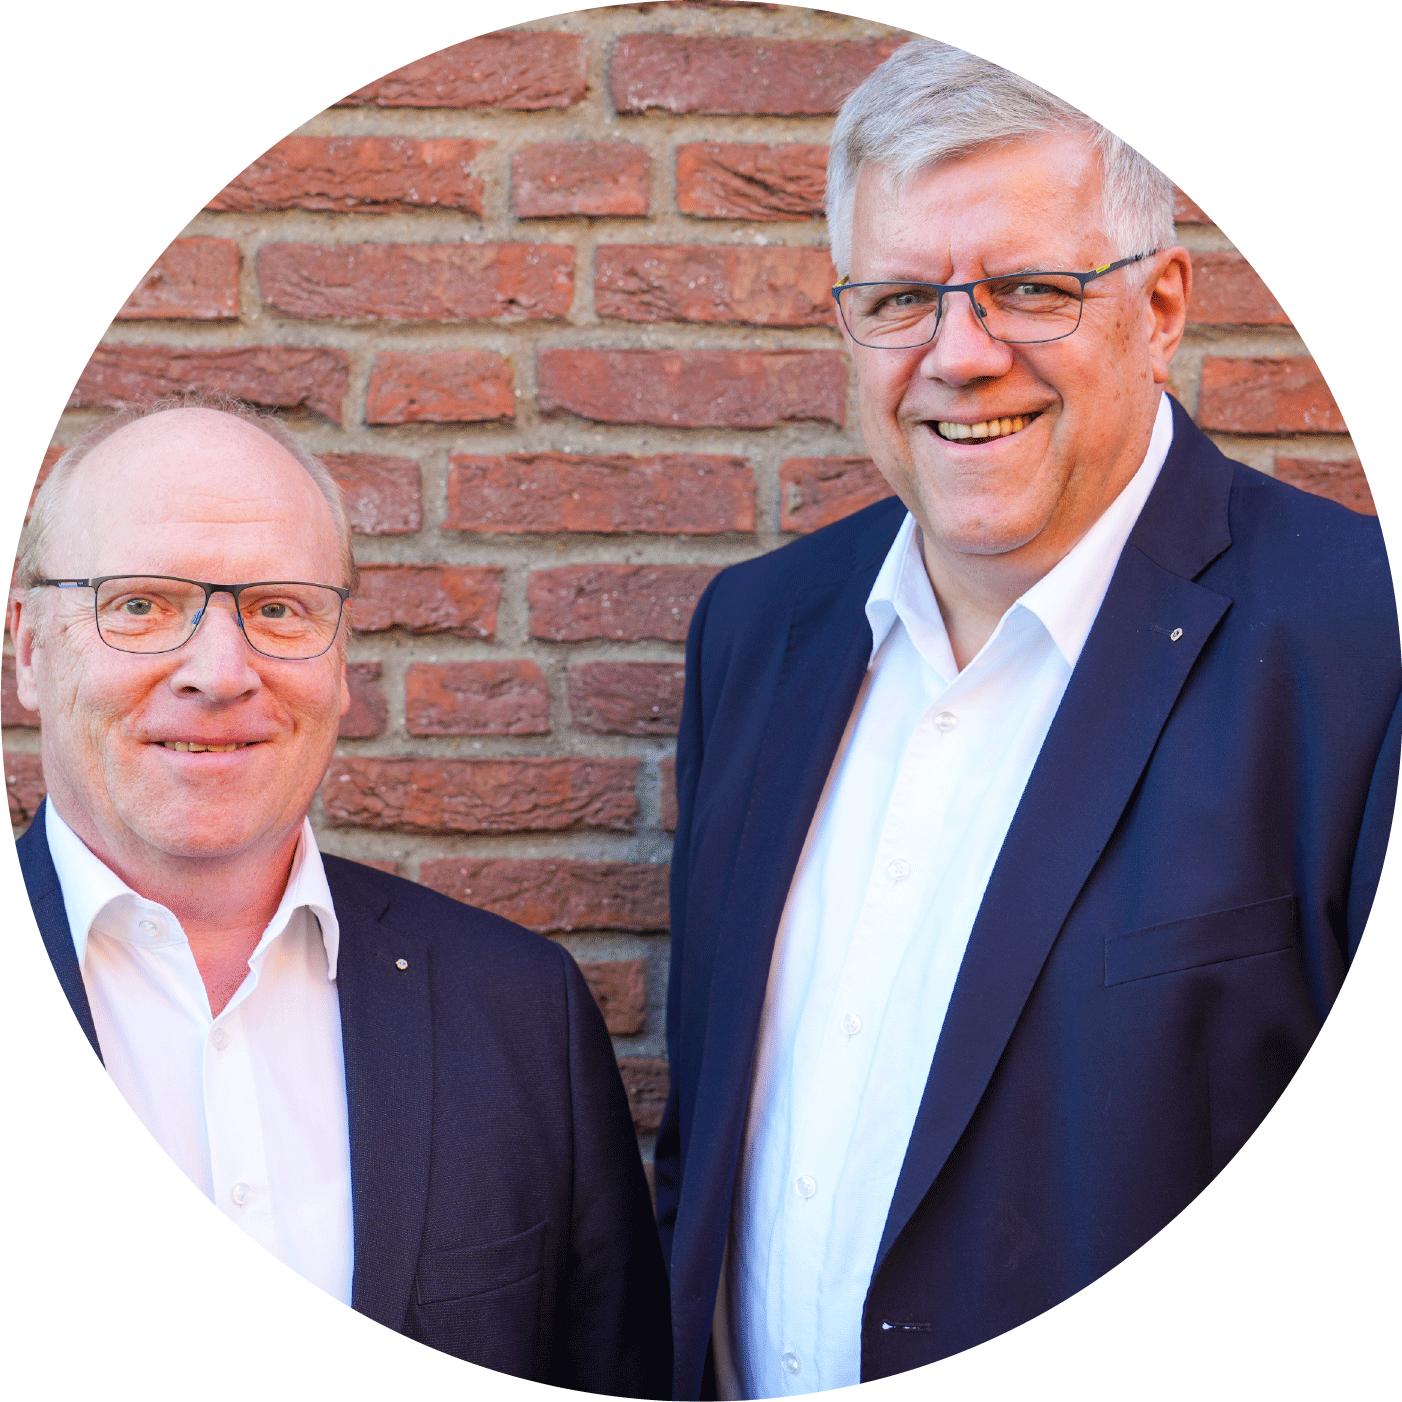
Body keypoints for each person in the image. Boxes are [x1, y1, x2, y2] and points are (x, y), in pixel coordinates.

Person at [655, 38, 1401, 1399]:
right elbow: (706, 1137)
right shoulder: (759, 633)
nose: (959, 354)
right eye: (900, 298)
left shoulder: (1358, 637)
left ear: (1160, 305)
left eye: (1030, 289)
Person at [11, 398, 670, 1397]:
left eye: (280, 609)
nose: (220, 674)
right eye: (140, 604)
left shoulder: (521, 1012)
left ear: (342, 655)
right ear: (29, 649)